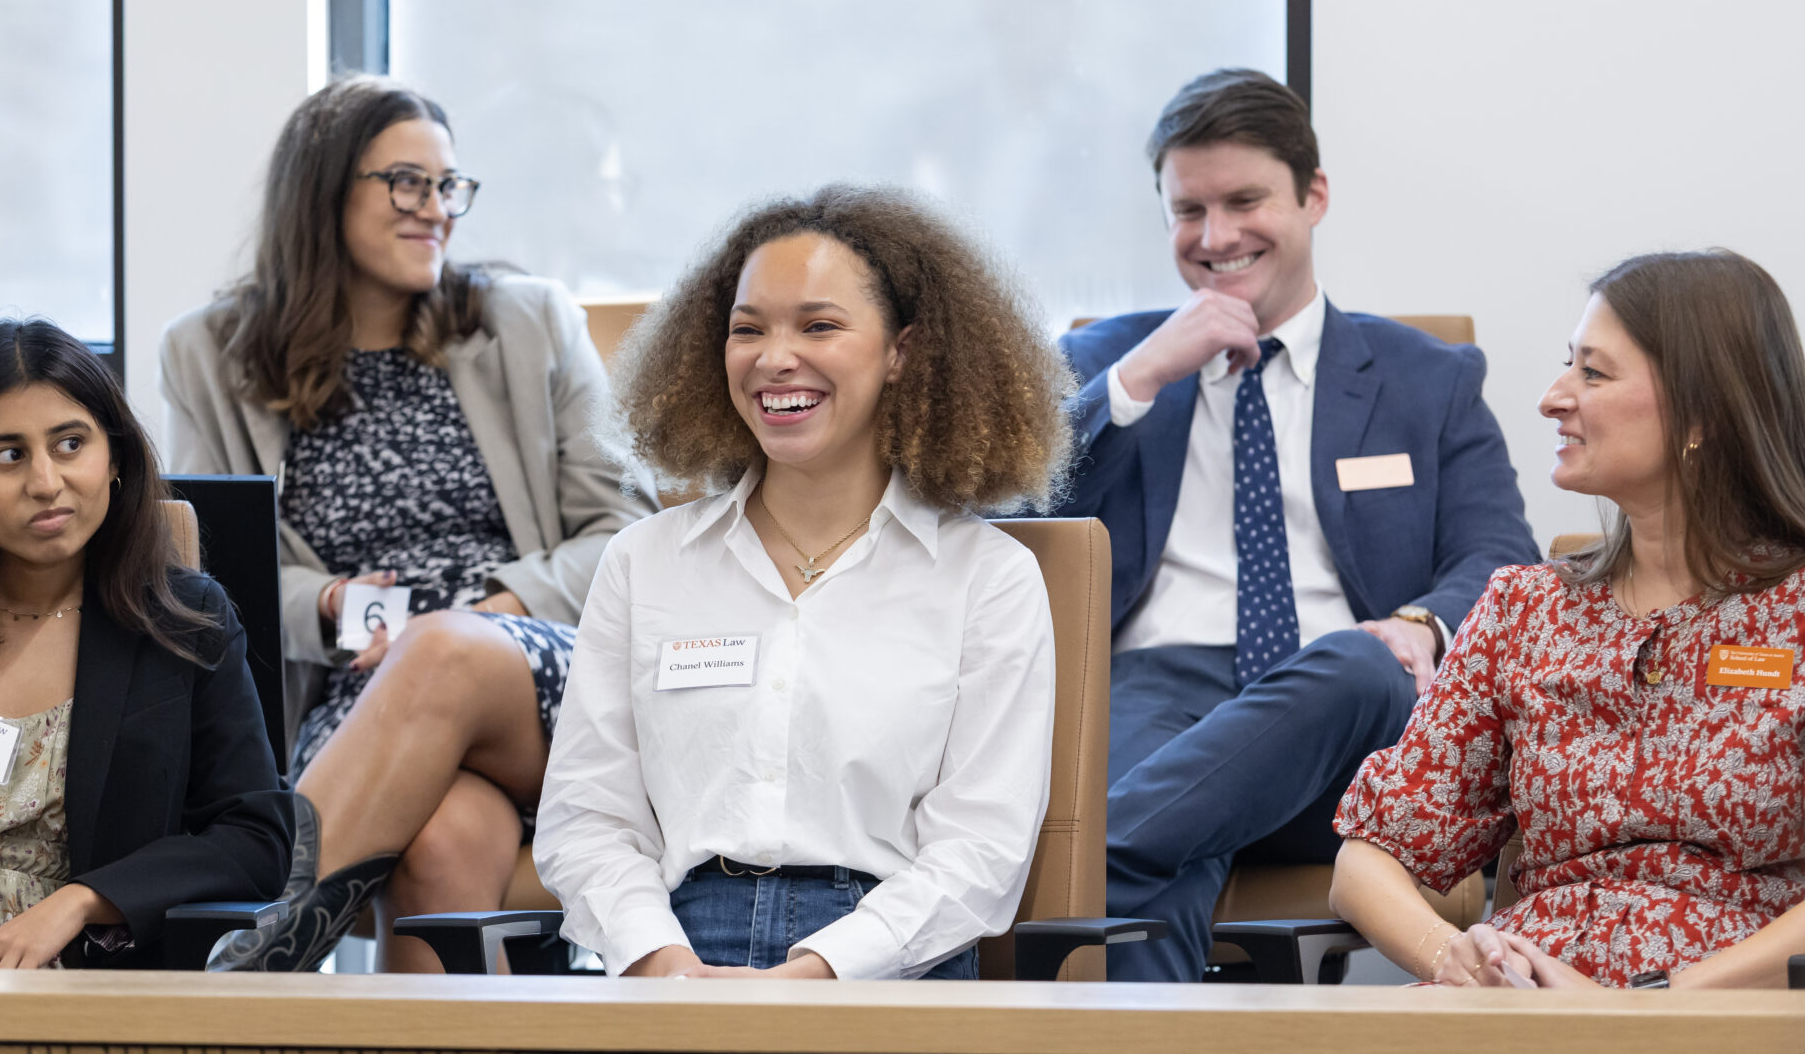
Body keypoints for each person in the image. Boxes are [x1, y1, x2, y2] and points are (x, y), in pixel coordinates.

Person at [159, 75, 656, 972]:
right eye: (409, 183)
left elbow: (627, 528)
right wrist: (330, 602)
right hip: (356, 696)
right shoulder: (210, 352)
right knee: (443, 840)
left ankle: (244, 970)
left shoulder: (528, 320)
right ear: (323, 189)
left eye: (449, 186)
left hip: (539, 672)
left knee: (444, 651)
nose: (438, 210)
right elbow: (212, 573)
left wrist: (489, 611)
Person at [1055, 69, 1538, 981]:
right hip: (1156, 692)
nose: (1216, 236)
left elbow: (1497, 555)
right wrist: (1139, 380)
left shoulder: (1427, 378)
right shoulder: (1104, 361)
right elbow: (1007, 530)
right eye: (1187, 209)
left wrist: (1417, 624)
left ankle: (1089, 862)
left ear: (1313, 196)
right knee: (1182, 807)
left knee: (1353, 664)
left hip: (1350, 703)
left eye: (1244, 200)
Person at [534, 186, 1071, 979]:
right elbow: (588, 818)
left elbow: (980, 851)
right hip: (672, 960)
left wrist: (818, 973)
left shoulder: (988, 579)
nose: (774, 358)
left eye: (819, 326)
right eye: (747, 330)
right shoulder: (643, 562)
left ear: (902, 352)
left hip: (889, 968)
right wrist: (663, 964)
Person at [1332, 250, 1805, 989]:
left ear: (1702, 414)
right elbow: (1368, 858)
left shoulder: (1795, 614)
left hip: (1721, 1012)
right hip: (1518, 1006)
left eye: (1594, 372)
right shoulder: (1524, 609)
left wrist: (1651, 1009)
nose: (1554, 397)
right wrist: (1447, 956)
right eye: (1567, 367)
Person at [0, 320, 290, 970]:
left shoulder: (185, 623)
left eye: (70, 444)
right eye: (8, 454)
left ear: (115, 457)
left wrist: (80, 901)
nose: (46, 482)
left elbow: (256, 838)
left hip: (85, 975)